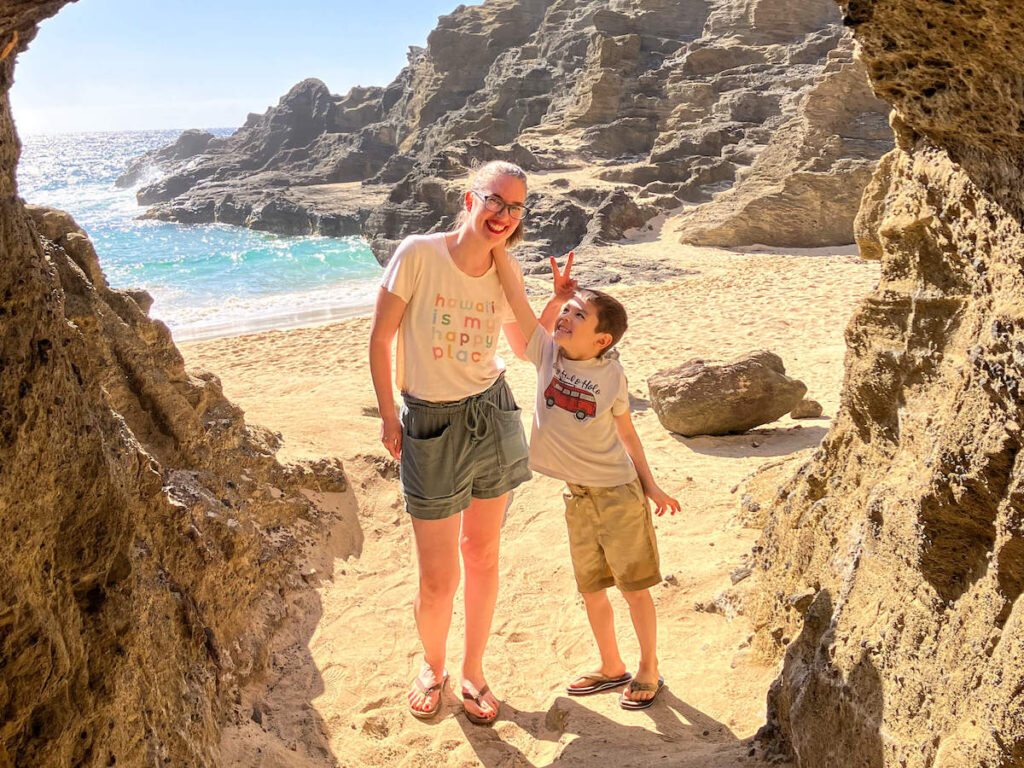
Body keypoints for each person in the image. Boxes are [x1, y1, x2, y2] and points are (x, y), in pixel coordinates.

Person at [369, 160, 564, 725]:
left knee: (481, 555)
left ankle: (474, 671)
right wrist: (389, 413)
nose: (503, 215)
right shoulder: (418, 253)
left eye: (515, 207)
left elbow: (530, 350)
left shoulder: (508, 270)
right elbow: (380, 338)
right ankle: (432, 667)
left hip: (492, 413)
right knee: (437, 576)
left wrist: (538, 295)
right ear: (469, 198)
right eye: (494, 201)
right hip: (430, 421)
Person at [491, 246, 681, 710]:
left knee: (635, 588)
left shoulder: (611, 376)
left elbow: (628, 434)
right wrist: (555, 298)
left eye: (580, 316)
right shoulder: (547, 355)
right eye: (568, 313)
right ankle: (611, 666)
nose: (567, 320)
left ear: (602, 340)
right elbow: (518, 317)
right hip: (576, 497)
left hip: (618, 493)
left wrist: (650, 485)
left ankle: (648, 668)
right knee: (592, 589)